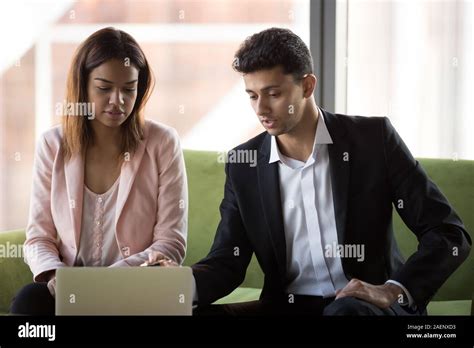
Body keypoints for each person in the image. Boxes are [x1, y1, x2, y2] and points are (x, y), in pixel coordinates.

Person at [150, 27, 471, 316]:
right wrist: (177, 286)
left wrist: (393, 290)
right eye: (252, 95)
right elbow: (227, 262)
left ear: (307, 86)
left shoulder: (373, 140)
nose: (261, 108)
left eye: (273, 94)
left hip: (364, 307)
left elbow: (448, 234)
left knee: (345, 314)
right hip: (286, 306)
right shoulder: (244, 162)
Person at [10, 27, 188, 315]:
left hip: (135, 286)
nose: (117, 101)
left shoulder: (163, 142)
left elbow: (170, 242)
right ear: (82, 86)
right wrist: (58, 277)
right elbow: (39, 237)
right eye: (104, 88)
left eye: (129, 89)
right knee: (30, 301)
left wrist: (103, 283)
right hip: (69, 287)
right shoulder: (52, 144)